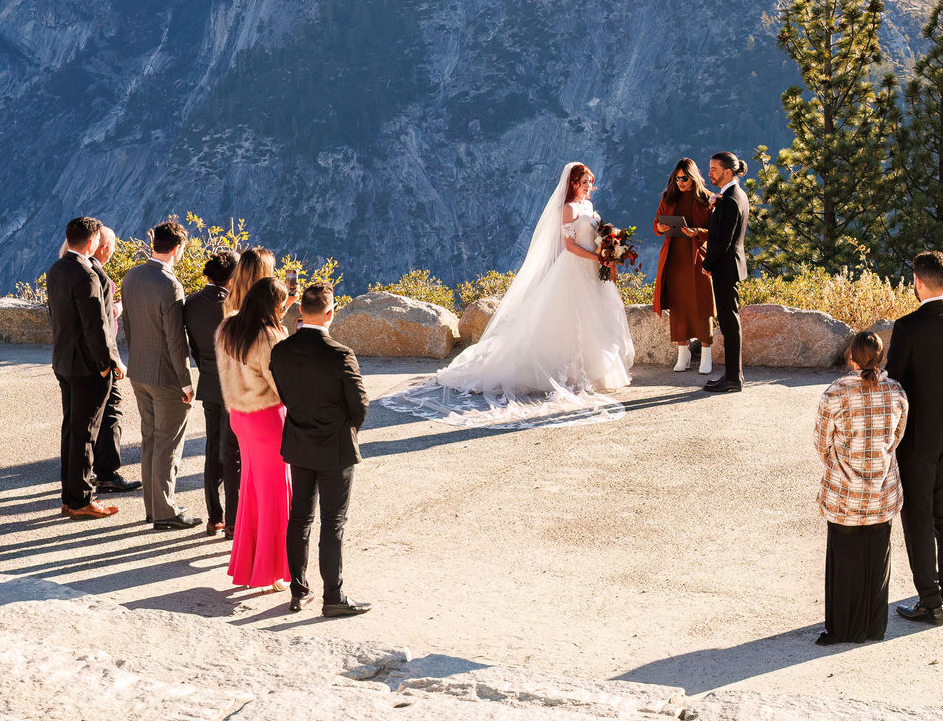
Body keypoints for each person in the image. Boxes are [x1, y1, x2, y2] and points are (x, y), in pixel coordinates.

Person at [385, 163, 633, 426]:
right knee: (568, 321)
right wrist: (597, 255)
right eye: (584, 182)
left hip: (593, 271)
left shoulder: (589, 208)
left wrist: (609, 248)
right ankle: (560, 371)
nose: (588, 186)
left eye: (590, 182)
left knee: (592, 320)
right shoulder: (569, 209)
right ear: (573, 183)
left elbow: (594, 235)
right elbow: (570, 246)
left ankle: (591, 370)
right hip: (574, 270)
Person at [269, 281, 373, 618]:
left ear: (300, 310)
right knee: (333, 522)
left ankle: (298, 591)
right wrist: (346, 429)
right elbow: (359, 405)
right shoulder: (340, 354)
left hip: (298, 443)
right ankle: (334, 597)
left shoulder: (281, 351)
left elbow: (284, 395)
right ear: (331, 313)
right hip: (335, 448)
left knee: (299, 517)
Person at [886, 250, 943, 625]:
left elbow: (895, 384)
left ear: (918, 283)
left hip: (918, 435)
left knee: (918, 517)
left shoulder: (907, 326)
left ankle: (929, 600)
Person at [813, 328, 907, 646]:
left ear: (851, 357)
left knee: (844, 562)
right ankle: (873, 627)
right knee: (877, 561)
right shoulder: (896, 391)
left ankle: (842, 630)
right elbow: (896, 438)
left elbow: (822, 442)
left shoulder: (836, 392)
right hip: (882, 491)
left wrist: (839, 464)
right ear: (880, 358)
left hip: (844, 493)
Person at [122, 220, 199, 530]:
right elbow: (175, 339)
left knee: (151, 440)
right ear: (177, 249)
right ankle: (165, 511)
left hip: (139, 370)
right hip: (166, 377)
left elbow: (127, 325)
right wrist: (186, 381)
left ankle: (153, 508)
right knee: (168, 444)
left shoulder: (132, 276)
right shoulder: (170, 285)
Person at [220, 265, 292, 590]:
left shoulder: (228, 328)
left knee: (251, 490)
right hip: (267, 418)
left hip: (239, 416)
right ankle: (273, 570)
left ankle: (250, 565)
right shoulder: (271, 336)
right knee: (277, 494)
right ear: (275, 306)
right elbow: (282, 384)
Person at [46, 216, 119, 519]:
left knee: (71, 431)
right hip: (88, 367)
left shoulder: (57, 269)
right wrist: (108, 364)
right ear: (92, 242)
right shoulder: (86, 275)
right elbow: (96, 327)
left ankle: (70, 496)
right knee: (86, 433)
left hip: (64, 361)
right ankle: (81, 500)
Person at [184, 249, 241, 536]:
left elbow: (191, 345)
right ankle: (233, 520)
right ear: (232, 278)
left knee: (212, 450)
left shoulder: (191, 302)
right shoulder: (235, 307)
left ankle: (214, 516)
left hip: (208, 381)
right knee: (234, 455)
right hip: (234, 386)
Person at [87, 225, 138, 496]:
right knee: (111, 411)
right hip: (103, 360)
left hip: (80, 359)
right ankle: (108, 472)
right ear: (104, 248)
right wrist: (114, 362)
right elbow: (103, 326)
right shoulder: (100, 278)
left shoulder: (72, 270)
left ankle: (92, 469)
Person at [652, 158, 716, 374]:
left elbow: (715, 231)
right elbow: (656, 224)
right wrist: (660, 227)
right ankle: (683, 352)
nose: (680, 182)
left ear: (693, 178)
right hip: (674, 258)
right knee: (679, 305)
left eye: (684, 178)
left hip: (697, 256)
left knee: (702, 303)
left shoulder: (707, 199)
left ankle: (707, 353)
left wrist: (697, 232)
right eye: (677, 178)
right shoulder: (667, 198)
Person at [701, 152, 749, 393]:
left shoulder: (730, 199)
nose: (709, 173)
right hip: (731, 265)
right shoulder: (735, 195)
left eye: (713, 169)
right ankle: (733, 375)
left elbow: (723, 241)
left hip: (725, 267)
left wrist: (707, 264)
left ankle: (733, 377)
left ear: (728, 172)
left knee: (730, 322)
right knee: (730, 321)